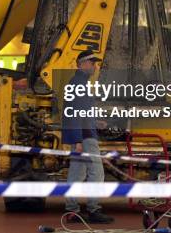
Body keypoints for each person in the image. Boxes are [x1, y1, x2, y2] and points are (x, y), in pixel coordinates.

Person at [61, 50, 114, 224]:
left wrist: (94, 121)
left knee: (76, 173)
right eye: (93, 63)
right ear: (82, 64)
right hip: (84, 137)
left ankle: (72, 211)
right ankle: (94, 209)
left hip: (83, 133)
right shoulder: (78, 84)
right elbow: (74, 113)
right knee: (97, 172)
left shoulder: (78, 83)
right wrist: (77, 140)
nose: (95, 66)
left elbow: (80, 112)